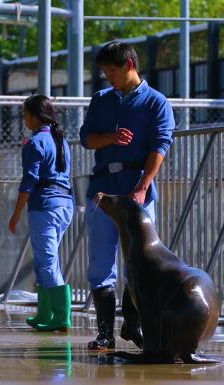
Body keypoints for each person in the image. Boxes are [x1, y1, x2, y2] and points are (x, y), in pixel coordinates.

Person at [79, 41, 174, 350]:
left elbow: (160, 145)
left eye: (112, 71)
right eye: (105, 72)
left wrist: (144, 184)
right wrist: (111, 138)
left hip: (137, 189)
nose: (108, 77)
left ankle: (133, 324)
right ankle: (105, 331)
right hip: (103, 190)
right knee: (101, 262)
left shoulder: (156, 102)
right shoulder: (101, 100)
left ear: (130, 65)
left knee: (140, 262)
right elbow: (87, 140)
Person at [9, 94, 75, 332]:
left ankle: (60, 316)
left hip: (45, 207)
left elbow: (29, 182)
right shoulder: (61, 141)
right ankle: (45, 312)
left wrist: (16, 214)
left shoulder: (36, 143)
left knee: (46, 262)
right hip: (64, 205)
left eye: (26, 114)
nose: (24, 119)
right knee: (47, 260)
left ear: (36, 116)